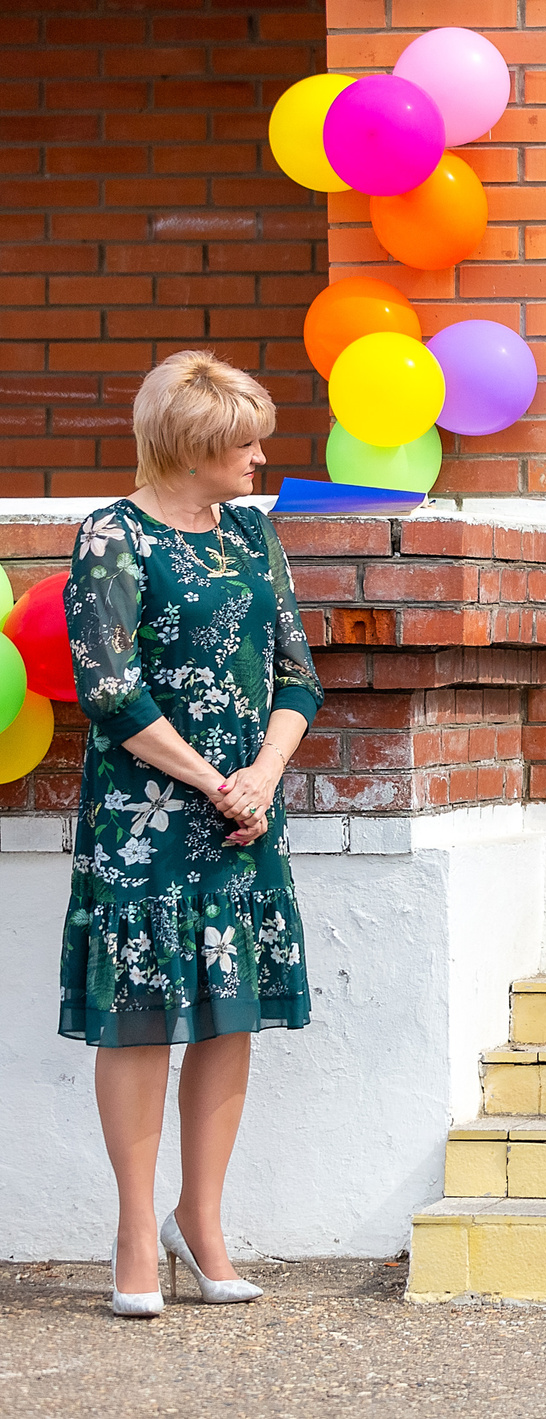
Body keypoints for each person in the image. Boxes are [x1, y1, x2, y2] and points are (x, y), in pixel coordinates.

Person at [62, 351, 321, 1318]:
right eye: (243, 441)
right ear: (190, 444)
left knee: (228, 1012)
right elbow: (110, 689)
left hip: (244, 815)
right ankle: (136, 1230)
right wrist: (216, 783)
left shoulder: (254, 535)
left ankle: (200, 1221)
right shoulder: (112, 536)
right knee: (138, 1015)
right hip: (146, 820)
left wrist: (263, 777)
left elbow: (296, 674)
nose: (260, 456)